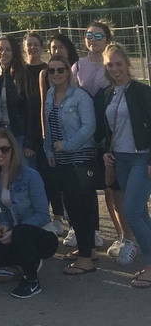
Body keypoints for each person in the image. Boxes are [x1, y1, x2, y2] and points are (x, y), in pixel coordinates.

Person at [71, 21, 128, 258]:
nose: (92, 39)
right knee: (86, 185)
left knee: (112, 187)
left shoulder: (110, 65)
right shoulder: (77, 66)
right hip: (85, 134)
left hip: (109, 133)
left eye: (98, 35)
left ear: (107, 39)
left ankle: (123, 236)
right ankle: (90, 235)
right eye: (88, 35)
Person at [0, 130, 58, 299]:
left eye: (5, 149)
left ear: (13, 151)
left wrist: (15, 231)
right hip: (16, 234)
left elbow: (43, 214)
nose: (0, 153)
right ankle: (28, 262)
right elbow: (3, 209)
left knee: (20, 232)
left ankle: (32, 281)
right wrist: (4, 226)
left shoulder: (31, 176)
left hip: (43, 235)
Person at [43, 54, 98, 275]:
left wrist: (66, 145)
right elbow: (47, 124)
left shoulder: (80, 97)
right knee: (71, 208)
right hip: (62, 161)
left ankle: (86, 259)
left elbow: (89, 128)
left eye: (60, 70)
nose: (56, 74)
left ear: (68, 72)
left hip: (79, 158)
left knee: (80, 208)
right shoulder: (49, 94)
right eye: (52, 70)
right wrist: (49, 149)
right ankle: (88, 250)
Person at [102, 44, 151, 288]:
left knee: (131, 211)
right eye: (110, 65)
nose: (115, 69)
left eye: (118, 64)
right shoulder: (107, 93)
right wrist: (105, 152)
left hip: (142, 157)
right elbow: (106, 131)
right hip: (119, 158)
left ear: (127, 64)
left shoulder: (142, 91)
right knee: (141, 212)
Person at [0, 35, 39, 165]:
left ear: (14, 52)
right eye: (0, 49)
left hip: (19, 133)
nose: (3, 53)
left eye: (8, 49)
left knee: (24, 172)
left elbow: (32, 110)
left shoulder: (24, 75)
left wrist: (29, 143)